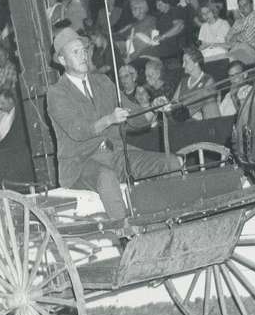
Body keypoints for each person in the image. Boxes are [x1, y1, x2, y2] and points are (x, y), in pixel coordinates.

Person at [46, 28, 180, 220]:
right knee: (106, 177)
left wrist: (153, 109)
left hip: (115, 154)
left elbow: (132, 114)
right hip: (81, 163)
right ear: (62, 60)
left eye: (83, 49)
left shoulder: (103, 81)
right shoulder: (56, 93)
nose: (83, 55)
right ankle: (128, 235)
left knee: (171, 163)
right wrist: (109, 119)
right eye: (75, 52)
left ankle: (173, 220)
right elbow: (78, 131)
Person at [157, 47, 219, 121]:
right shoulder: (183, 81)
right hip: (184, 120)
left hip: (201, 121)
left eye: (186, 62)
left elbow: (199, 101)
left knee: (208, 103)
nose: (183, 65)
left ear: (196, 63)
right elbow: (174, 102)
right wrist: (165, 102)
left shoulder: (208, 80)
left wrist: (178, 106)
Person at [220, 0, 255, 66]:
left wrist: (235, 36)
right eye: (240, 6)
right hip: (237, 49)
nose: (242, 8)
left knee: (227, 62)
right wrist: (237, 37)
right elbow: (227, 38)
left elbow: (247, 38)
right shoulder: (238, 21)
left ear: (252, 5)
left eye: (245, 5)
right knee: (220, 60)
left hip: (251, 52)